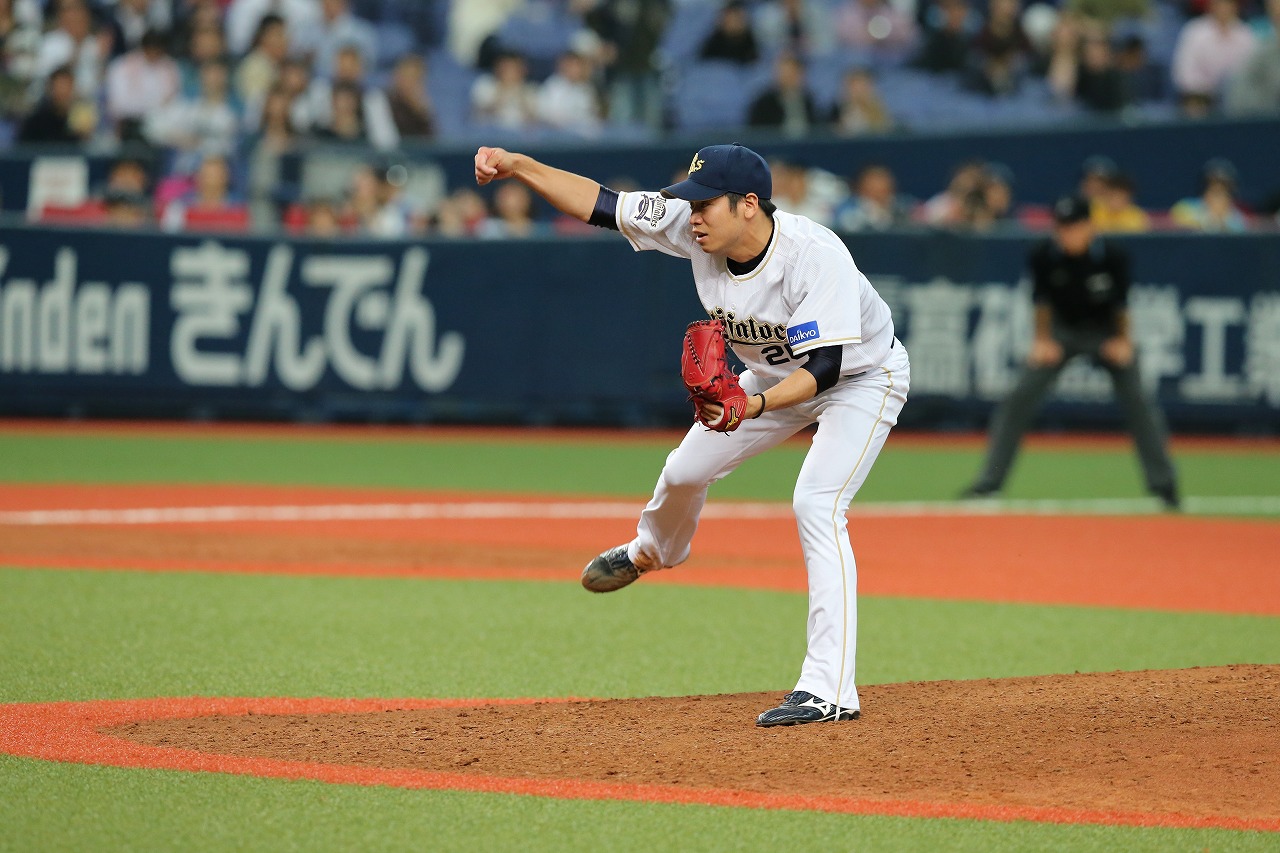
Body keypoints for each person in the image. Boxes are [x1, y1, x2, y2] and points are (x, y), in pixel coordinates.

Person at [474, 142, 910, 727]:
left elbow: (825, 367)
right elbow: (601, 205)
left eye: (706, 204)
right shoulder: (690, 225)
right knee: (683, 471)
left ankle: (828, 690)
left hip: (861, 379)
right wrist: (520, 166)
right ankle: (651, 551)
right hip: (771, 378)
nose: (693, 214)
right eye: (691, 202)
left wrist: (750, 404)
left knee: (817, 502)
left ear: (748, 205)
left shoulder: (814, 255)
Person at [962, 195, 1179, 509]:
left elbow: (1121, 306)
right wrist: (1042, 340)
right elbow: (1041, 303)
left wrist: (1122, 341)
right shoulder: (1044, 254)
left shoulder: (1112, 255)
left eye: (1074, 226)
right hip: (1062, 333)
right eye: (1062, 227)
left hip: (1105, 332)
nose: (1067, 234)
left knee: (1139, 401)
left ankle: (1165, 485)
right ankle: (988, 483)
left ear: (1089, 226)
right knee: (1019, 397)